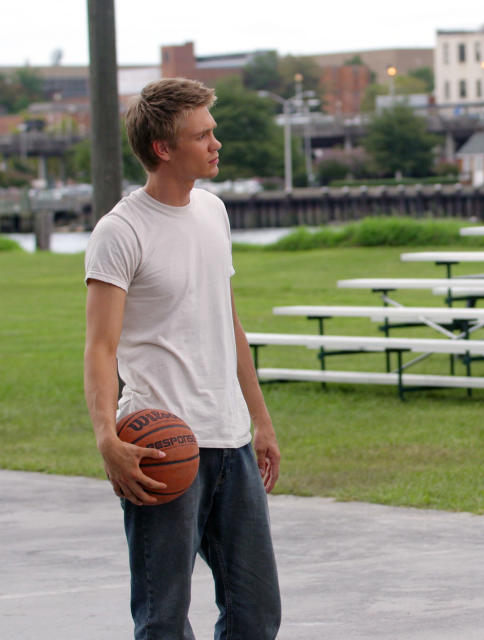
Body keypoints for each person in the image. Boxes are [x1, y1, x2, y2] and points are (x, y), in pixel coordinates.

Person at [83, 78, 282, 639]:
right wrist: (106, 437)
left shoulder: (213, 212)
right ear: (164, 149)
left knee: (256, 615)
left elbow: (230, 322)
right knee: (163, 618)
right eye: (203, 135)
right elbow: (100, 346)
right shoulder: (120, 232)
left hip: (232, 441)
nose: (216, 143)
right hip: (162, 443)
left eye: (213, 131)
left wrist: (259, 420)